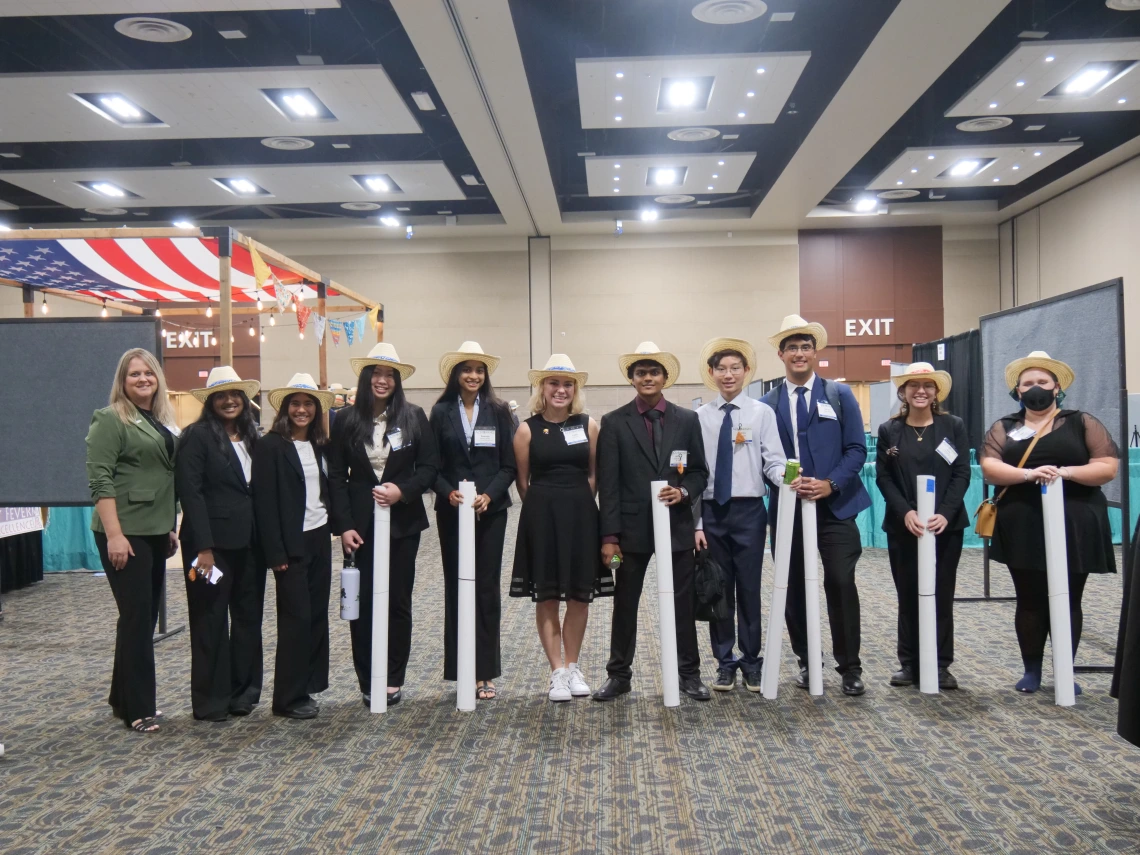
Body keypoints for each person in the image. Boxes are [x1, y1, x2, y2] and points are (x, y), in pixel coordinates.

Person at [980, 351, 1119, 695]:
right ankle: (1032, 670)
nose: (1036, 388)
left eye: (1043, 382)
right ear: (1017, 390)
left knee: (1070, 597)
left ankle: (1064, 670)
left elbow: (1107, 465)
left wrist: (1064, 472)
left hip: (1077, 522)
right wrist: (1028, 474)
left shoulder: (1082, 421)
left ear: (1057, 387)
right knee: (1028, 598)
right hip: (1022, 522)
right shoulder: (1004, 426)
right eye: (1028, 383)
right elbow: (990, 467)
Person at [594, 342, 710, 702]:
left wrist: (684, 493)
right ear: (632, 379)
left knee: (682, 602)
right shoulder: (614, 423)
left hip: (676, 528)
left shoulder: (687, 420)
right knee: (625, 602)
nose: (647, 378)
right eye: (641, 373)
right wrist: (609, 537)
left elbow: (698, 472)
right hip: (630, 532)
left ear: (665, 378)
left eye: (654, 372)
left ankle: (689, 675)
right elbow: (608, 485)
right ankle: (619, 675)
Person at [761, 315, 870, 696]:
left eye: (805, 346)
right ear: (781, 354)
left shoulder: (839, 396)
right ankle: (808, 661)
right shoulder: (766, 404)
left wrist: (831, 483)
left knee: (841, 582)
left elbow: (858, 448)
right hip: (787, 509)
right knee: (792, 588)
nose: (799, 353)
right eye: (792, 347)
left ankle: (850, 667)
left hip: (836, 508)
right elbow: (761, 456)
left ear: (815, 352)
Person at [329, 343, 439, 708]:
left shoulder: (413, 416)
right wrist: (343, 525)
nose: (382, 380)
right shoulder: (344, 420)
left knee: (398, 601)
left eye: (389, 375)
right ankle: (367, 676)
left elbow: (428, 469)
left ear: (397, 381)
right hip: (359, 525)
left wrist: (402, 491)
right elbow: (336, 478)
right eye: (376, 373)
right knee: (362, 602)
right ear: (365, 378)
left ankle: (393, 677)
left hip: (402, 523)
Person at [86, 347, 179, 733]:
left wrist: (170, 525)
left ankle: (120, 697)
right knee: (139, 619)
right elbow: (100, 481)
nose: (142, 380)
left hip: (156, 530)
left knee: (138, 617)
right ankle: (139, 708)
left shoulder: (160, 421)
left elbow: (163, 477)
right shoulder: (109, 420)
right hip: (125, 531)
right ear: (122, 382)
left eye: (148, 374)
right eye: (134, 375)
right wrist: (115, 535)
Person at [510, 354, 611, 702]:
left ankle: (572, 666)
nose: (561, 390)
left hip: (582, 514)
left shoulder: (588, 425)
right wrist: (544, 505)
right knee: (549, 594)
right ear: (543, 387)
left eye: (567, 384)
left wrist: (581, 503)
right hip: (542, 515)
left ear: (575, 389)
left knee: (580, 595)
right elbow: (523, 482)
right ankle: (556, 673)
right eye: (554, 383)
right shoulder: (526, 428)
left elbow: (594, 473)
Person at [693, 337, 786, 693]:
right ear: (712, 373)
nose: (728, 374)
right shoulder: (700, 417)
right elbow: (697, 473)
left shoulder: (762, 413)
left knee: (748, 588)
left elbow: (774, 460)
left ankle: (751, 661)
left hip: (749, 511)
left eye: (735, 368)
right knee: (717, 588)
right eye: (722, 369)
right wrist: (698, 522)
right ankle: (724, 662)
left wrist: (786, 477)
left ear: (746, 372)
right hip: (713, 512)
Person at [176, 366, 265, 720]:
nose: (229, 401)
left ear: (244, 400)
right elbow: (191, 493)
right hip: (209, 550)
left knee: (248, 620)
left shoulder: (254, 436)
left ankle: (243, 694)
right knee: (209, 621)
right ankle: (212, 701)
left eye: (235, 395)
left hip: (250, 544)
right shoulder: (196, 436)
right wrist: (204, 549)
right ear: (211, 401)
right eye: (221, 396)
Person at [874, 362, 970, 690]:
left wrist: (944, 512)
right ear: (902, 392)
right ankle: (909, 663)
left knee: (942, 595)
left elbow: (961, 472)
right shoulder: (890, 430)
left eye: (927, 385)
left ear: (936, 392)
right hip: (904, 527)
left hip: (945, 526)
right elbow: (884, 477)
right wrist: (905, 513)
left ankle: (940, 665)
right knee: (908, 595)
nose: (920, 391)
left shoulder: (952, 426)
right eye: (913, 385)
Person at [430, 341, 517, 700]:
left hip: (489, 512)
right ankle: (460, 669)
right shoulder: (440, 411)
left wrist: (489, 495)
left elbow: (509, 464)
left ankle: (485, 672)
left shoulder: (498, 410)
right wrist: (448, 491)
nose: (473, 376)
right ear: (455, 374)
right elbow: (430, 466)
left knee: (485, 587)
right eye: (466, 369)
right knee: (456, 586)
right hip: (452, 512)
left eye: (479, 370)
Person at [252, 373, 336, 720]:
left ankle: (308, 687)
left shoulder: (319, 445)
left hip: (319, 537)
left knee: (316, 616)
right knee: (295, 620)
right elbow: (264, 503)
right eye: (296, 404)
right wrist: (275, 554)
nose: (302, 410)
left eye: (308, 404)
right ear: (285, 408)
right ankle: (287, 698)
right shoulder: (270, 446)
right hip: (290, 544)